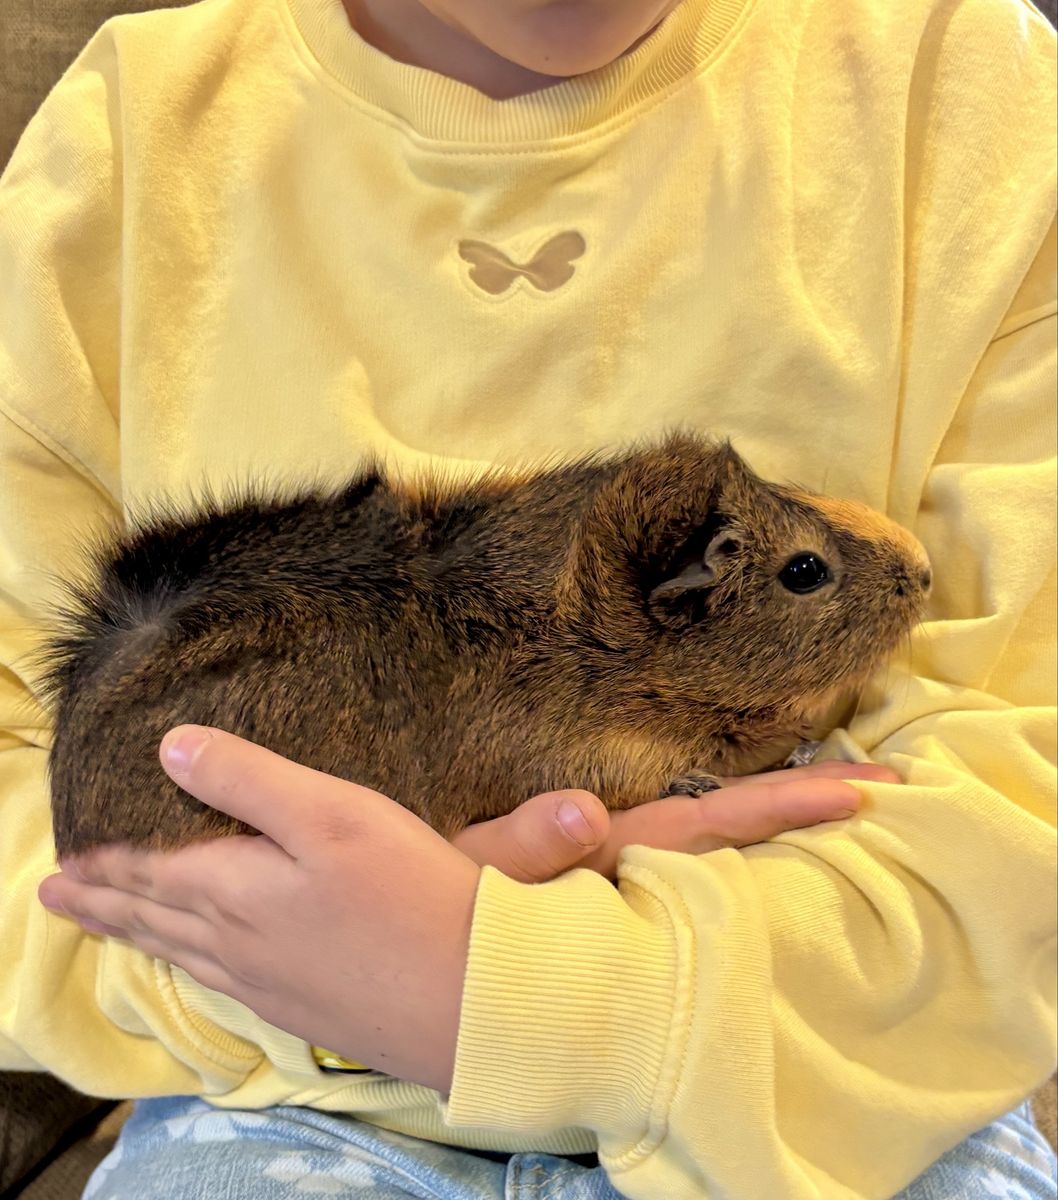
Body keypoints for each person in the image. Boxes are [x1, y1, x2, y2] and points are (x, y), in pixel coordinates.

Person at [2, 0, 1055, 1196]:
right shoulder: (135, 131)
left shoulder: (963, 81)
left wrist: (528, 988)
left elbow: (1023, 777)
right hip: (284, 1096)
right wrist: (298, 968)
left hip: (827, 1088)